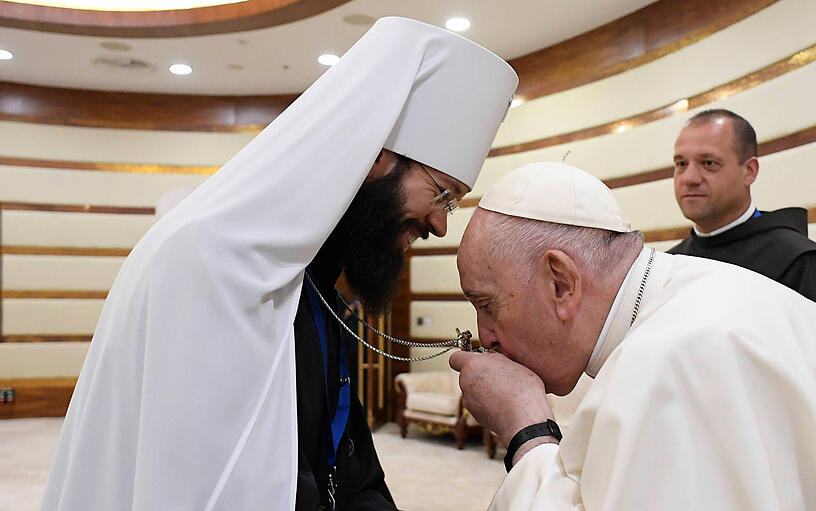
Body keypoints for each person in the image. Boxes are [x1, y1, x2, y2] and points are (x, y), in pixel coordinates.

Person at [43, 17, 517, 511]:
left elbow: (348, 467)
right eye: (442, 195)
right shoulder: (206, 263)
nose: (440, 225)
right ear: (378, 156)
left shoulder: (315, 290)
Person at [450, 162, 816, 510]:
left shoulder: (671, 360)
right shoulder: (692, 292)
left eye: (487, 305)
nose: (485, 335)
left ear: (561, 283)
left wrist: (526, 429)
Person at [667, 109, 816, 337]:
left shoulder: (801, 264)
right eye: (681, 164)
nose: (689, 178)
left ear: (749, 171)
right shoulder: (669, 265)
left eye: (708, 163)